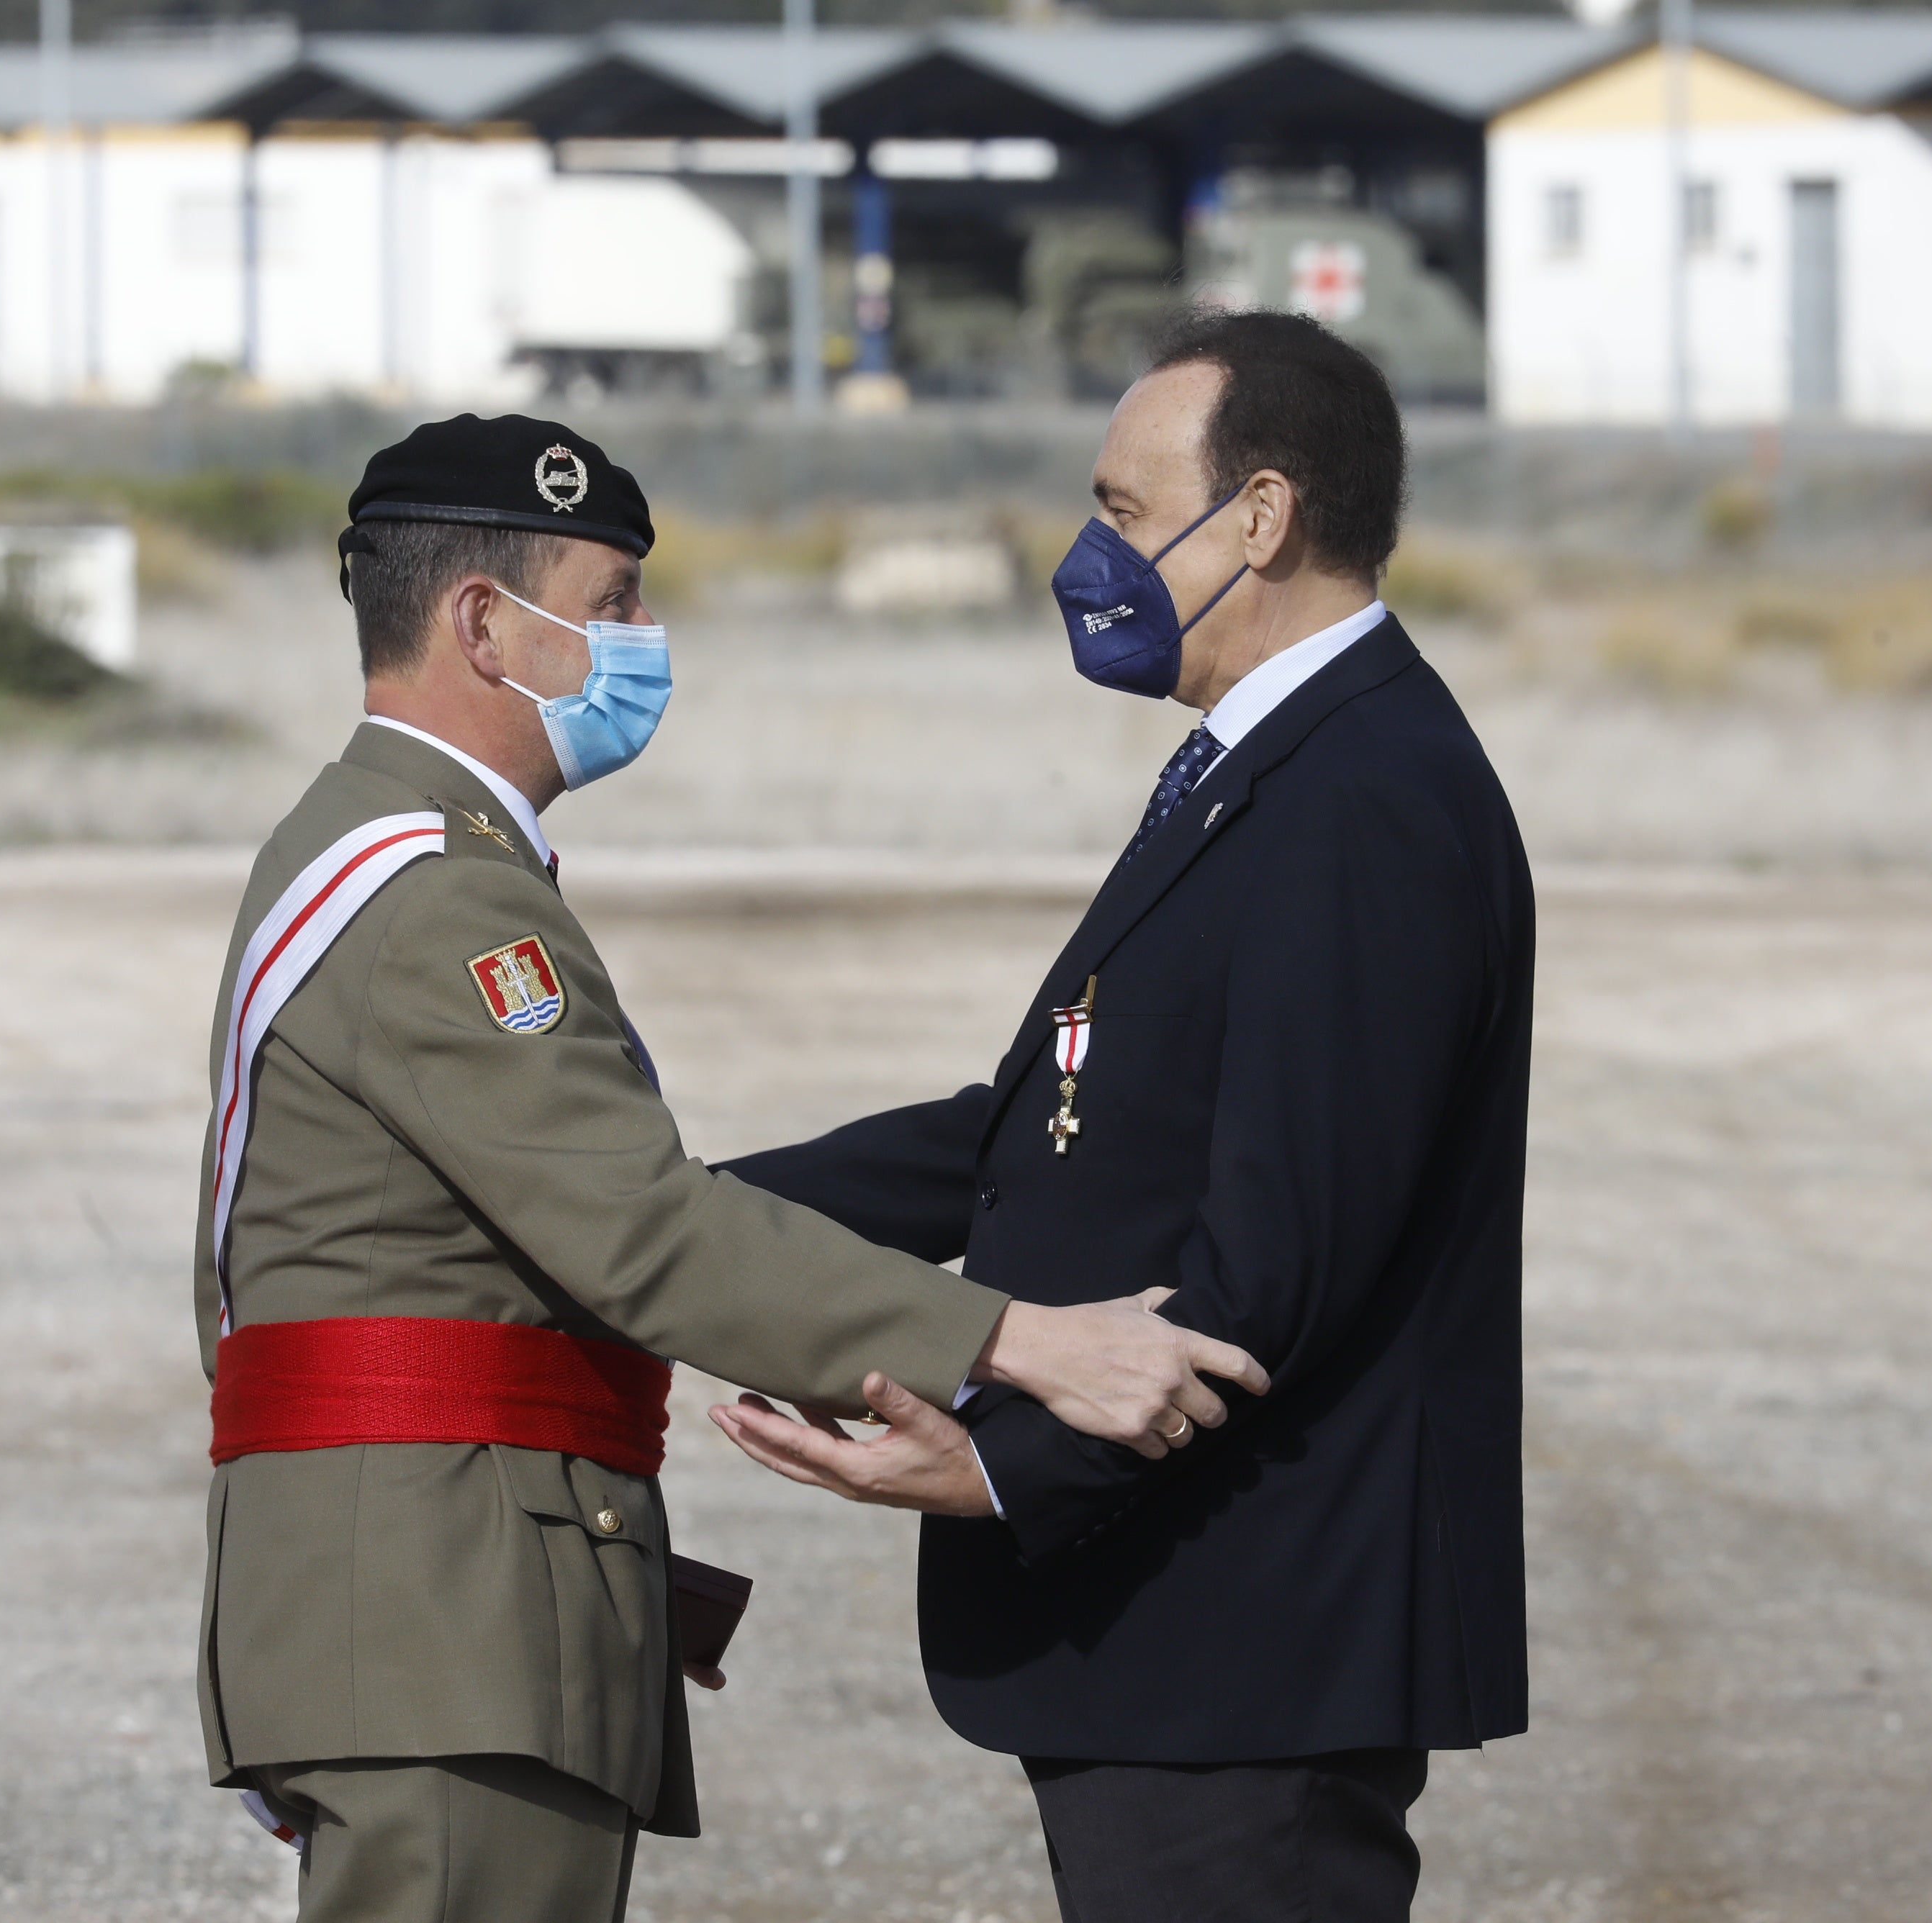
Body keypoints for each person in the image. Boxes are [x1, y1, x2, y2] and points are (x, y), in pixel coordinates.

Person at [189, 412, 1268, 1923]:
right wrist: (1022, 1343)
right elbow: (642, 1230)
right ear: (486, 624)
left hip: (423, 1594)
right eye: (615, 600)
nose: (644, 639)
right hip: (442, 1613)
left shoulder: (389, 849)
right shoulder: (434, 896)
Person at [710, 309, 1535, 1923]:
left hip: (1249, 1652)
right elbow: (1028, 1131)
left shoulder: (1361, 796)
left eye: (1124, 512)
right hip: (1188, 1650)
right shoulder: (1266, 769)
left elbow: (1278, 1263)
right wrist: (668, 1216)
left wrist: (1006, 1471)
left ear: (1262, 519)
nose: (1088, 558)